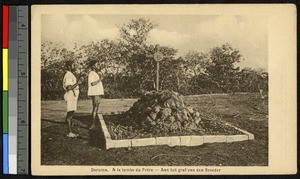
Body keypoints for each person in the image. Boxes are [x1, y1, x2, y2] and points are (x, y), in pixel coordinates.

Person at [63, 60, 84, 137]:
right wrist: (78, 83)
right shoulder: (68, 75)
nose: (75, 66)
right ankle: (69, 132)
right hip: (70, 95)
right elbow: (68, 87)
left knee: (71, 114)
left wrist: (79, 81)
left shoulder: (71, 74)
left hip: (72, 95)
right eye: (73, 65)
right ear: (69, 67)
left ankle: (70, 131)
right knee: (70, 115)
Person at [87, 60, 104, 129]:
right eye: (97, 65)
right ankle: (92, 124)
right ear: (93, 66)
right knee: (95, 108)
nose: (99, 66)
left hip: (97, 93)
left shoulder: (95, 73)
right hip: (95, 93)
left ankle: (93, 123)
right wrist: (100, 79)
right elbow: (92, 83)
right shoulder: (91, 73)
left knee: (96, 108)